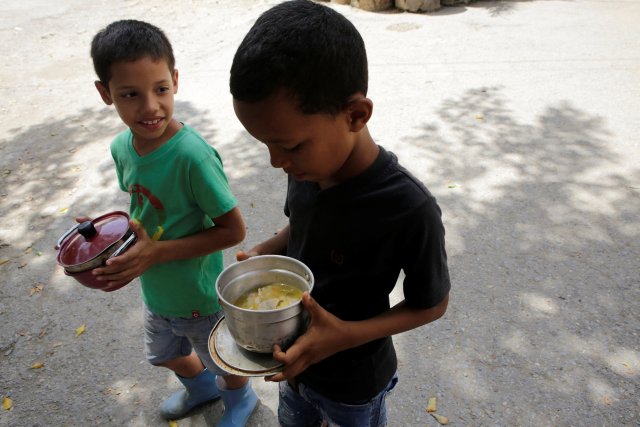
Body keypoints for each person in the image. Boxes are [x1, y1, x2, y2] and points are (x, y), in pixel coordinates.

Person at [230, 1, 451, 426]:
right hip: (293, 364)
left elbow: (432, 304)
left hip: (355, 382)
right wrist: (269, 249)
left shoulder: (409, 208)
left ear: (355, 114)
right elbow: (303, 222)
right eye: (267, 146)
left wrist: (344, 337)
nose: (277, 161)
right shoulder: (308, 166)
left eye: (289, 146)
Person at [89, 20, 258, 425]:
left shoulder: (192, 157)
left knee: (224, 358)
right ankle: (200, 390)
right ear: (105, 94)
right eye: (130, 94)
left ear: (175, 81)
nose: (150, 107)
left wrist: (156, 252)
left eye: (160, 89)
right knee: (165, 354)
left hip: (198, 296)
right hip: (156, 289)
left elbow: (234, 232)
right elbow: (144, 211)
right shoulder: (121, 147)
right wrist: (103, 235)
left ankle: (240, 399)